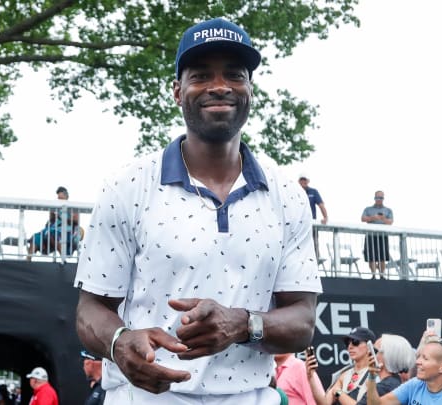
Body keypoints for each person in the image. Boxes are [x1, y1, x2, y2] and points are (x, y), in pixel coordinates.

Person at [74, 17, 321, 405]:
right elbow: (91, 309)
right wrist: (120, 342)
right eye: (201, 75)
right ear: (177, 91)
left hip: (250, 396)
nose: (220, 86)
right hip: (145, 397)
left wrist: (243, 324)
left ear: (250, 90)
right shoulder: (128, 185)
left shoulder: (288, 195)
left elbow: (303, 320)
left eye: (235, 75)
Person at [365, 337, 442, 405]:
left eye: (425, 358)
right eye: (419, 357)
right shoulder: (415, 384)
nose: (417, 362)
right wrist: (372, 376)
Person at [306, 327, 376, 405]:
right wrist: (311, 376)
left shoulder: (375, 373)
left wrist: (338, 392)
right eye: (347, 343)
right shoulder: (344, 375)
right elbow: (324, 403)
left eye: (355, 342)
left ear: (370, 346)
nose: (350, 347)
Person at [27, 186, 81, 260]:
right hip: (52, 229)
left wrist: (62, 217)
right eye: (58, 198)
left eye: (61, 199)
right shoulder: (56, 206)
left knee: (51, 234)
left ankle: (63, 258)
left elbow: (76, 221)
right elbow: (51, 220)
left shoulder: (73, 207)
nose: (59, 200)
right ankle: (28, 260)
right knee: (36, 237)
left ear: (66, 196)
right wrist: (52, 214)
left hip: (65, 231)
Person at [361, 191, 393, 279]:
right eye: (377, 198)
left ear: (383, 198)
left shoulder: (388, 210)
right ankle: (373, 275)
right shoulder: (368, 209)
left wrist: (383, 219)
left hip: (383, 236)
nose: (379, 199)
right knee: (371, 257)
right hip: (370, 235)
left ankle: (382, 275)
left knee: (382, 257)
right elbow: (363, 218)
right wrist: (372, 217)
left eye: (381, 198)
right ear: (374, 198)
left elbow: (390, 222)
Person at [298, 175, 328, 260]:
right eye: (301, 180)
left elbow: (321, 205)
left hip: (312, 225)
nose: (303, 182)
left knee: (314, 244)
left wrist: (325, 217)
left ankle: (315, 262)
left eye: (305, 180)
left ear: (308, 181)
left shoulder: (313, 191)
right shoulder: (294, 191)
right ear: (298, 181)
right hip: (299, 225)